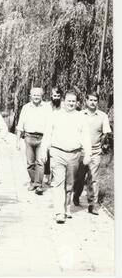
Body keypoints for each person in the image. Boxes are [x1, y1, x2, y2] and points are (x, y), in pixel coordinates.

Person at [40, 90, 92, 224]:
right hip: (57, 153)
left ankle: (67, 207)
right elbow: (47, 134)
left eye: (74, 101)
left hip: (74, 154)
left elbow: (86, 137)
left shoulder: (81, 117)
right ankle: (59, 212)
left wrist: (88, 154)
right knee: (58, 183)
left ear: (77, 103)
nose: (71, 103)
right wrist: (43, 151)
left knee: (70, 184)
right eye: (69, 101)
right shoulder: (55, 115)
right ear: (64, 101)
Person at [73, 92, 112, 214]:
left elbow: (106, 133)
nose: (93, 102)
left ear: (97, 102)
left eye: (95, 100)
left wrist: (100, 146)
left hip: (95, 152)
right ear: (86, 101)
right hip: (81, 152)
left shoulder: (102, 116)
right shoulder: (79, 115)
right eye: (90, 100)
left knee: (93, 178)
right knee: (79, 178)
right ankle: (76, 194)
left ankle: (92, 204)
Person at [16, 87, 50, 195]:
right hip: (29, 137)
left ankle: (38, 185)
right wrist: (17, 141)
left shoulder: (47, 107)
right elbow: (20, 124)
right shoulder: (26, 108)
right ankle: (33, 181)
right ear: (30, 96)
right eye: (34, 95)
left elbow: (50, 124)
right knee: (30, 163)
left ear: (42, 96)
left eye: (38, 95)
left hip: (42, 138)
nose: (36, 97)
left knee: (40, 162)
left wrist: (49, 140)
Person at [43, 87, 64, 185]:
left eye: (58, 96)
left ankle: (56, 177)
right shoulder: (46, 106)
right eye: (55, 95)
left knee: (56, 156)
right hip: (47, 133)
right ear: (51, 95)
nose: (56, 98)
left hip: (59, 134)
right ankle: (46, 175)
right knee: (46, 154)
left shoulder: (63, 106)